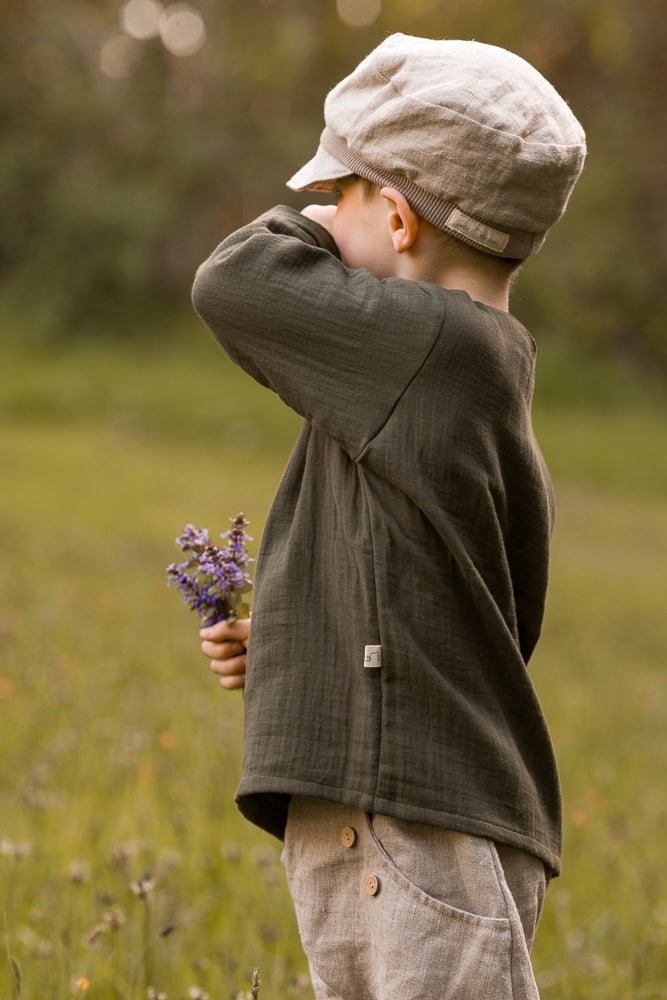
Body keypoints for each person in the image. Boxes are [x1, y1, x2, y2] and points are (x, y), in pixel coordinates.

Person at [192, 33, 586, 1000]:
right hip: (397, 813)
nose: (326, 214)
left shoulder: (431, 348)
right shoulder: (449, 372)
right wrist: (294, 639)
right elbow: (442, 611)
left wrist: (309, 227)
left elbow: (233, 278)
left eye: (341, 195)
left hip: (412, 823)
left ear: (398, 219)